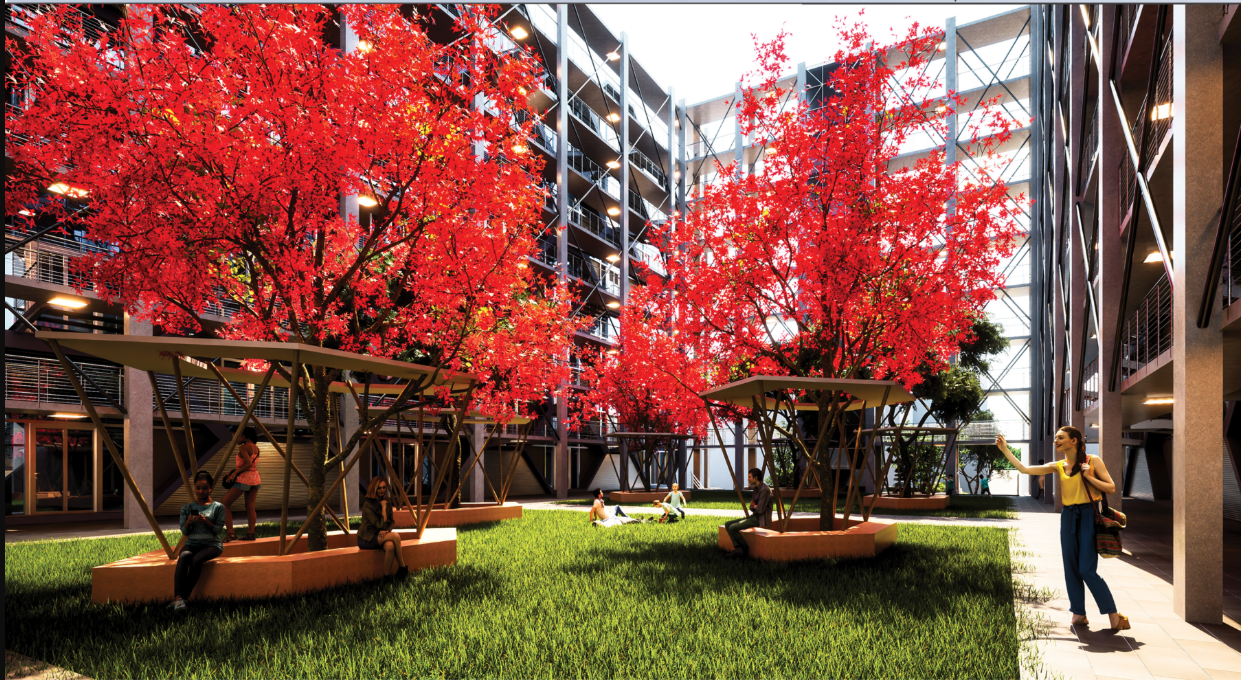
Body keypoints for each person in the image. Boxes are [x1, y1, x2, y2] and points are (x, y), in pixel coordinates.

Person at [997, 429, 1130, 630]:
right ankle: (1078, 614)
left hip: (1088, 515)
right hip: (1068, 516)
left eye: (1061, 438)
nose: (1056, 441)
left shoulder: (1093, 461)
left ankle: (1113, 614)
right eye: (1056, 438)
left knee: (1086, 569)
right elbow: (1025, 469)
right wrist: (1005, 450)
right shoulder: (1059, 466)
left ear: (1073, 441)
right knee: (1071, 568)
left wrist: (1089, 476)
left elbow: (1110, 487)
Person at [171, 470, 226, 611]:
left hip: (212, 545)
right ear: (194, 488)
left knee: (196, 560)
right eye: (198, 488)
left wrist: (206, 521)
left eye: (205, 488)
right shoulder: (187, 508)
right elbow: (184, 532)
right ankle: (178, 598)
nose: (201, 491)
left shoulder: (218, 507)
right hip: (192, 543)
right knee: (184, 557)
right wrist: (189, 521)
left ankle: (183, 598)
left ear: (210, 488)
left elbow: (218, 530)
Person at [358, 477, 408, 578]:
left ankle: (386, 577)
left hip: (381, 535)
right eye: (379, 488)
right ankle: (403, 568)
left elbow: (392, 522)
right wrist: (384, 509)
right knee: (395, 536)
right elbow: (379, 525)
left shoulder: (387, 500)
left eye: (384, 487)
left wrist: (386, 531)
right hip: (367, 538)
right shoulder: (368, 505)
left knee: (390, 546)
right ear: (374, 489)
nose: (382, 490)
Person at [722, 468, 772, 558]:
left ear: (755, 478)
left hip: (761, 519)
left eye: (749, 477)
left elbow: (760, 510)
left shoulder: (765, 490)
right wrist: (754, 506)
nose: (748, 479)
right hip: (754, 516)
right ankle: (738, 549)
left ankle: (744, 549)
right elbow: (752, 506)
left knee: (733, 527)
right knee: (727, 524)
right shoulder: (756, 489)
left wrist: (755, 506)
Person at [223, 427, 261, 541]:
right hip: (255, 479)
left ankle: (231, 533)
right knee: (250, 507)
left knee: (224, 504)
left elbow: (248, 464)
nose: (234, 439)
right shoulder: (256, 448)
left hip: (244, 479)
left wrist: (235, 472)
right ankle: (250, 534)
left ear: (243, 436)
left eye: (235, 436)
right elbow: (250, 464)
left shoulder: (243, 447)